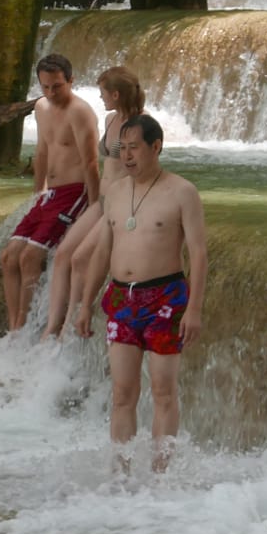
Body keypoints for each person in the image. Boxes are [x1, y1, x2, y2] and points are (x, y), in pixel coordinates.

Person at [74, 115, 206, 472]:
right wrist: (85, 304)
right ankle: (122, 473)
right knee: (122, 394)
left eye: (134, 148)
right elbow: (102, 251)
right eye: (123, 149)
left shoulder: (182, 192)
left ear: (156, 147)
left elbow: (198, 253)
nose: (127, 156)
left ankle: (160, 474)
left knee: (163, 391)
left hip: (165, 298)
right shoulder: (115, 192)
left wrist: (193, 310)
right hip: (120, 299)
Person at [0, 53, 99, 334]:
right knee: (9, 256)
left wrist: (95, 205)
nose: (51, 93)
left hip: (75, 192)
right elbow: (42, 151)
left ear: (71, 80)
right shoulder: (41, 107)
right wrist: (37, 191)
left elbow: (91, 161)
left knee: (30, 256)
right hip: (50, 194)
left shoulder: (81, 112)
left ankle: (24, 327)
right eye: (45, 87)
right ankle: (13, 326)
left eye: (57, 86)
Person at [47, 66, 144, 338]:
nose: (100, 98)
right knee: (64, 253)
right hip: (101, 200)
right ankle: (51, 326)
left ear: (115, 93)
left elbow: (143, 171)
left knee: (79, 259)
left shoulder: (140, 125)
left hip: (120, 204)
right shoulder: (111, 119)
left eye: (103, 93)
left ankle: (71, 326)